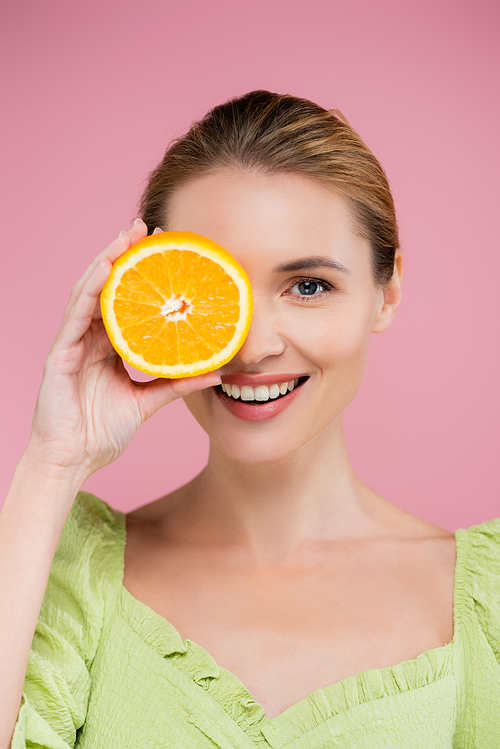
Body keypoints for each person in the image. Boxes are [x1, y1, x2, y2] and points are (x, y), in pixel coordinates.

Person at [1, 90, 499, 749]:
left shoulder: (483, 600)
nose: (254, 344)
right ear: (150, 293)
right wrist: (54, 457)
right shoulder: (64, 572)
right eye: (216, 288)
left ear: (388, 290)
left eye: (308, 285)